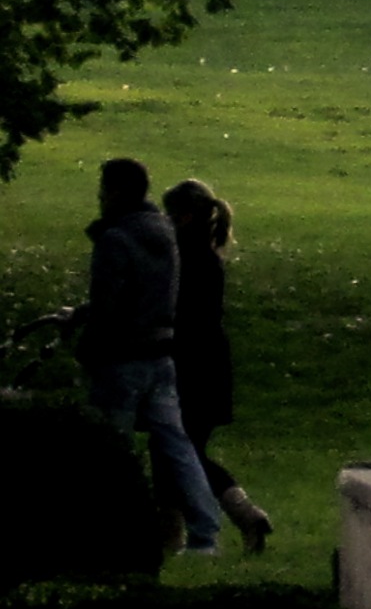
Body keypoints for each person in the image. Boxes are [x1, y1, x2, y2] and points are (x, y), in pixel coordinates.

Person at [77, 156, 225, 557]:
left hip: (121, 357)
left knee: (113, 447)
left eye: (104, 188)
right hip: (161, 353)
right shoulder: (163, 230)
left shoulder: (115, 239)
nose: (100, 196)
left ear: (119, 191)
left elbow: (108, 303)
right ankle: (205, 533)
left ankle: (112, 531)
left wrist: (86, 343)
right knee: (178, 446)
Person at [159, 178, 270, 553]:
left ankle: (184, 531)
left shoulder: (183, 260)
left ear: (184, 217)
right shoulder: (208, 258)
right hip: (209, 364)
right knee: (185, 448)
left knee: (177, 449)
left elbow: (176, 314)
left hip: (189, 365)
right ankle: (239, 514)